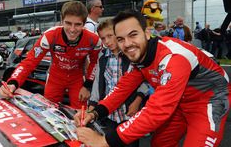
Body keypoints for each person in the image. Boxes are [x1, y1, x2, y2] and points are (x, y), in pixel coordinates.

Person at [74, 10, 231, 147]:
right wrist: (94, 113)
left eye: (133, 35)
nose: (127, 44)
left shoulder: (173, 57)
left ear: (147, 33)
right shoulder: (141, 57)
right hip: (178, 102)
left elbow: (158, 109)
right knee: (160, 143)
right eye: (120, 39)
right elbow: (121, 89)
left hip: (209, 101)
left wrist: (105, 141)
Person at [0, 1, 102, 109]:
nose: (72, 29)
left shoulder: (93, 39)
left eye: (77, 24)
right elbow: (30, 61)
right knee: (49, 112)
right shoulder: (50, 35)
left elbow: (95, 63)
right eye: (68, 23)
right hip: (55, 78)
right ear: (62, 21)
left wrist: (88, 86)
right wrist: (13, 82)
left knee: (81, 112)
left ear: (84, 23)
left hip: (77, 78)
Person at [89, 19, 151, 147]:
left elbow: (145, 80)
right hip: (110, 115)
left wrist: (138, 100)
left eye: (110, 36)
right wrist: (92, 104)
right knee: (111, 143)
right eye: (103, 38)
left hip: (129, 113)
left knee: (131, 143)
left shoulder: (132, 55)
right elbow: (98, 84)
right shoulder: (103, 59)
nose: (107, 42)